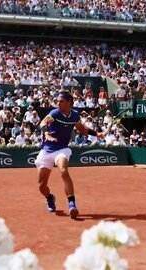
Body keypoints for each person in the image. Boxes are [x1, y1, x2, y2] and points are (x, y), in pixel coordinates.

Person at [35, 91, 109, 219]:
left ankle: (72, 204)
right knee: (42, 186)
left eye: (61, 101)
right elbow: (43, 123)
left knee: (64, 171)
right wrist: (46, 134)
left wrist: (98, 134)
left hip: (62, 149)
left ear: (69, 102)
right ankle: (50, 197)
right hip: (47, 150)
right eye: (57, 101)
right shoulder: (54, 113)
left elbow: (82, 129)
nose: (58, 103)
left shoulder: (75, 115)